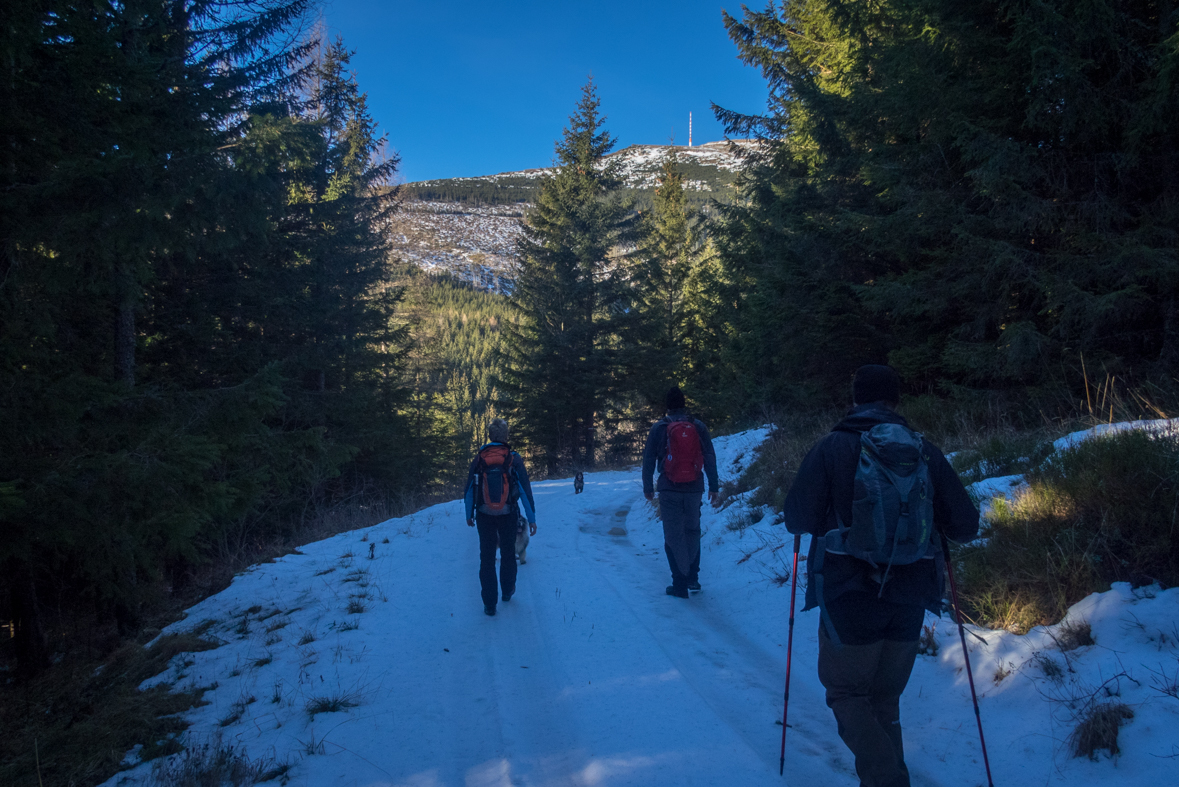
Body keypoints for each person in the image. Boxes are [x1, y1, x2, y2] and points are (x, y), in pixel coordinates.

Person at [781, 365, 978, 787]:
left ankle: (888, 781)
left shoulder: (831, 447)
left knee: (848, 694)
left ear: (854, 398)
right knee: (885, 700)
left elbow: (796, 517)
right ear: (896, 400)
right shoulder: (925, 450)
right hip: (910, 593)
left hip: (848, 591)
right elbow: (965, 525)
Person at [642, 386, 719, 599]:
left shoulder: (659, 427)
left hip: (669, 488)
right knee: (692, 531)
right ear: (684, 404)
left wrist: (648, 486)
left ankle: (679, 584)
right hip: (694, 488)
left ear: (667, 406)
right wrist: (714, 485)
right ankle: (693, 578)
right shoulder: (698, 426)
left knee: (673, 534)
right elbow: (709, 456)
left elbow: (649, 458)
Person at [464, 418, 536, 616]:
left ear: (490, 436)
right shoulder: (514, 458)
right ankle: (507, 591)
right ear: (506, 436)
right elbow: (525, 491)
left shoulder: (480, 458)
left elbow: (469, 489)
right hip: (508, 513)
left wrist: (469, 514)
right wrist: (532, 518)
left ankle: (489, 604)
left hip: (484, 514)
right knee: (507, 553)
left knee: (486, 557)